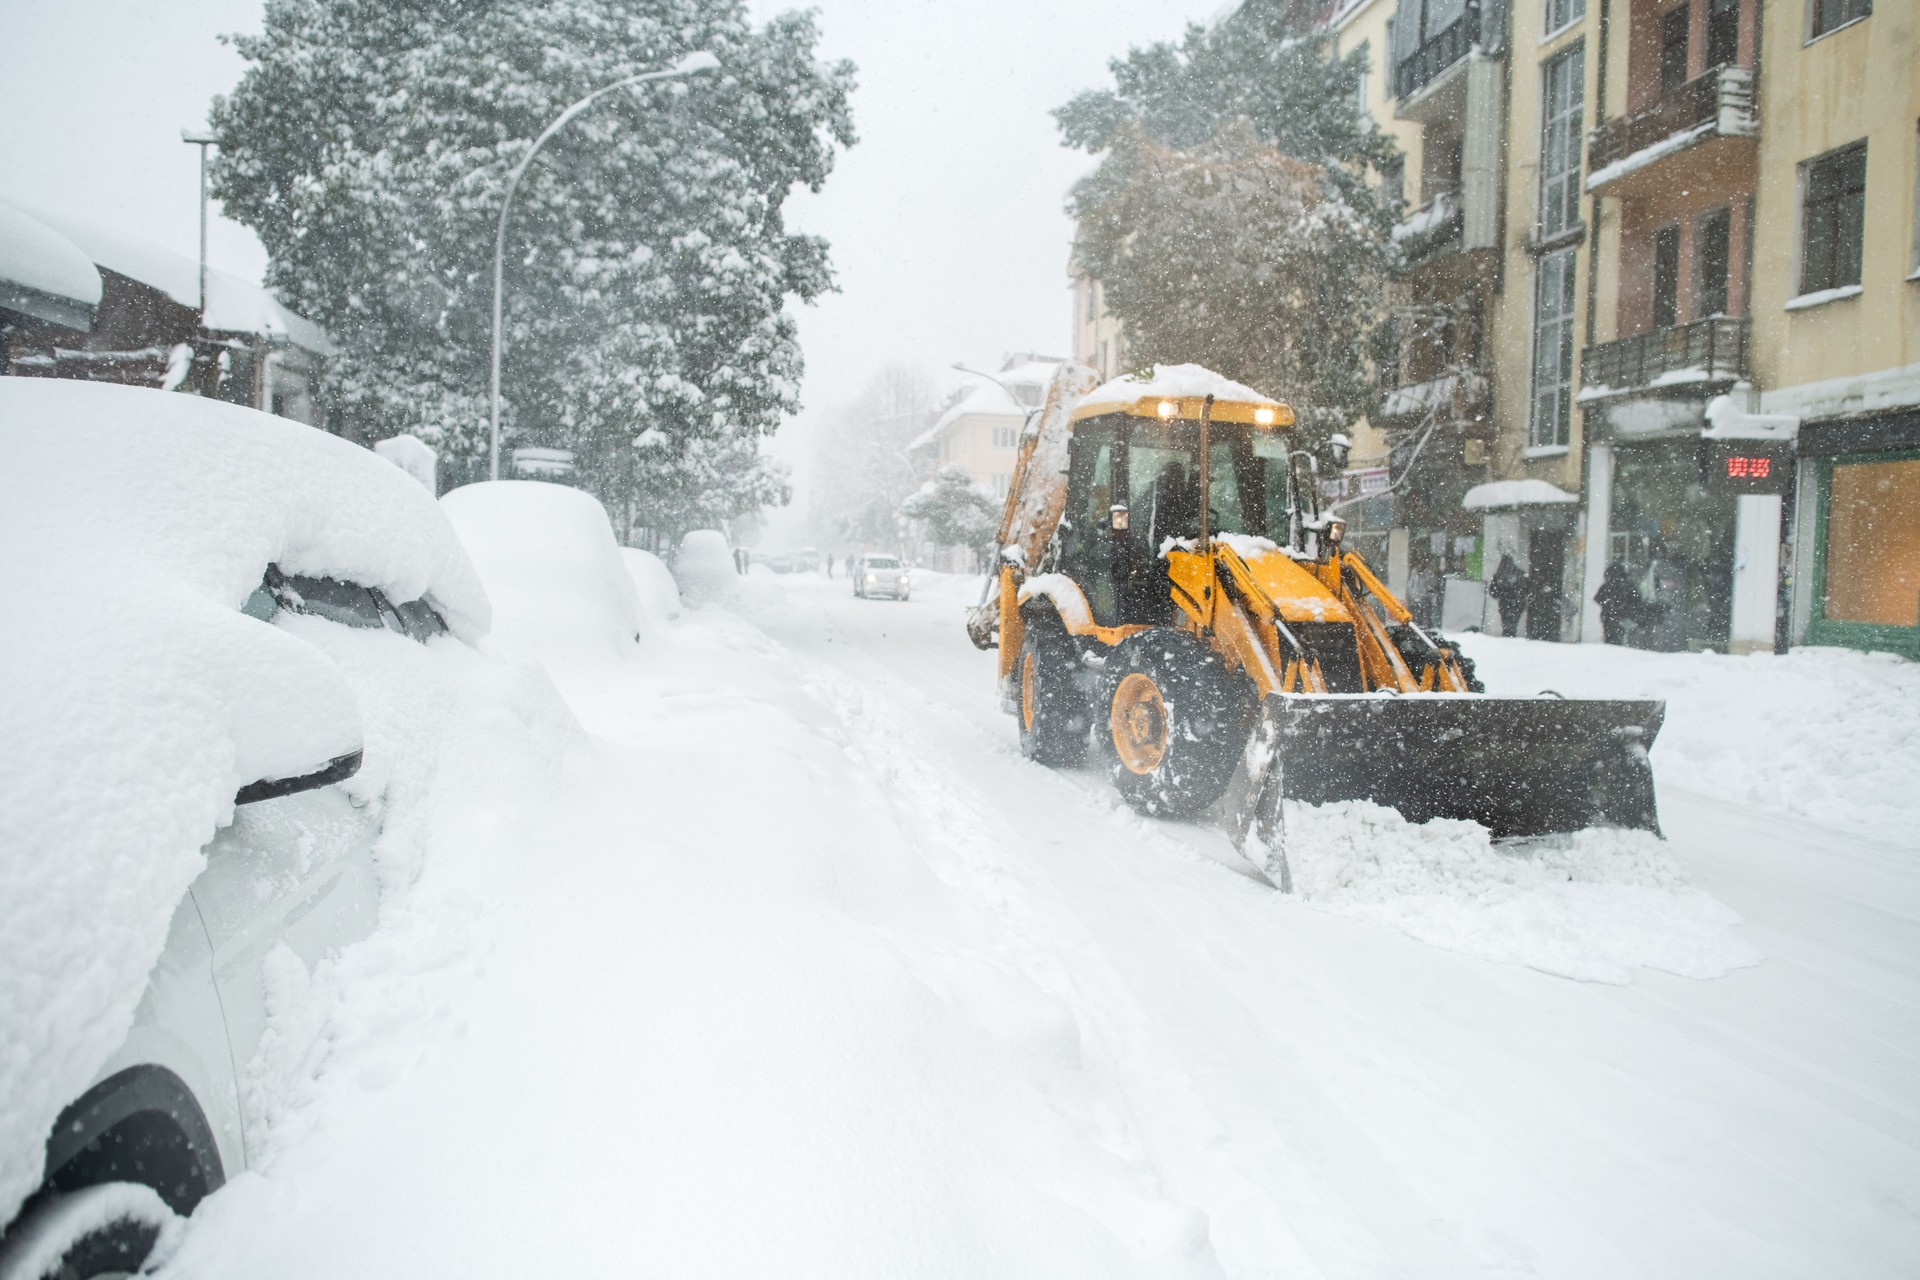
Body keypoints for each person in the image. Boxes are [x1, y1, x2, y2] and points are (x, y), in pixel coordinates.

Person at [1593, 561, 1645, 645]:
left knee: (1611, 639)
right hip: (1626, 617)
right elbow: (1636, 601)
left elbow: (1598, 599)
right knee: (1626, 640)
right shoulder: (1628, 586)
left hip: (1609, 616)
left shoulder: (1606, 586)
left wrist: (1608, 605)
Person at [1489, 553, 1530, 638]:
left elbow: (1493, 591)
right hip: (1517, 602)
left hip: (1505, 603)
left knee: (1506, 624)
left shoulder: (1499, 575)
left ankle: (1508, 637)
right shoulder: (1520, 573)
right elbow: (1528, 588)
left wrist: (1501, 593)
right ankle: (1510, 636)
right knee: (1512, 623)